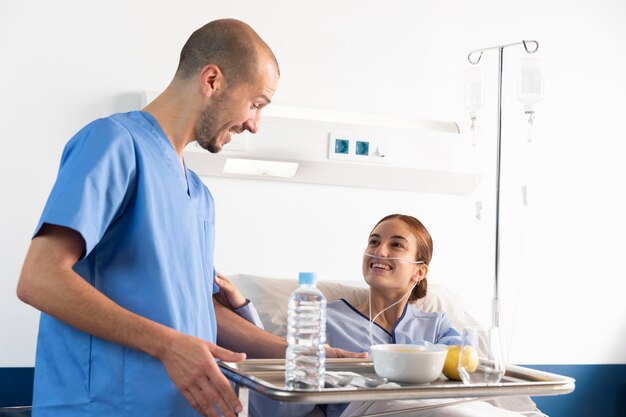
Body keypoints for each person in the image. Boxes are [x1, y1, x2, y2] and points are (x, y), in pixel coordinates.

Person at [16, 18, 359, 417]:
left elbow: (197, 309)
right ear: (212, 80)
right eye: (256, 103)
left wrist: (307, 355)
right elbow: (39, 278)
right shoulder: (113, 143)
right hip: (104, 406)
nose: (254, 124)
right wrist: (167, 346)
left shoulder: (199, 195)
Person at [223, 214, 545, 417]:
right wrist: (241, 309)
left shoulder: (436, 324)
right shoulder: (325, 318)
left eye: (396, 245)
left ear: (420, 271)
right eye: (374, 242)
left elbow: (465, 374)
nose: (380, 251)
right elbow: (288, 398)